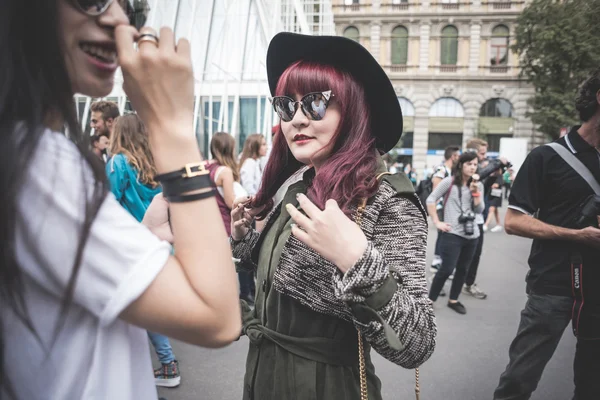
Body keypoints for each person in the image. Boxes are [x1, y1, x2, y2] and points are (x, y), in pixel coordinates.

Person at [0, 2, 241, 399]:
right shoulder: (39, 164)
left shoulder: (25, 153)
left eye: (131, 8)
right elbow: (217, 317)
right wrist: (171, 125)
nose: (118, 20)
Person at [230, 33, 436, 399]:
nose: (296, 119)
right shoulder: (297, 184)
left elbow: (417, 343)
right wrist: (246, 238)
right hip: (261, 378)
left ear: (353, 110)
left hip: (327, 387)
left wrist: (356, 262)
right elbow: (272, 278)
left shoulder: (386, 200)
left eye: (314, 103)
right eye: (286, 106)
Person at [494, 68, 600, 400]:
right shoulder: (547, 157)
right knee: (519, 380)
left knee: (591, 383)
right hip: (552, 286)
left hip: (597, 289)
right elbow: (513, 222)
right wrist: (576, 235)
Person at [106, 114, 181, 388]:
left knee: (136, 306)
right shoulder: (153, 164)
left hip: (129, 245)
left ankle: (167, 363)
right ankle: (163, 363)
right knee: (143, 304)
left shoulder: (118, 163)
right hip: (158, 245)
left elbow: (107, 206)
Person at [426, 152, 484, 314]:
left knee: (463, 269)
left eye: (475, 164)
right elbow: (431, 199)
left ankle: (454, 300)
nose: (473, 167)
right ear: (461, 165)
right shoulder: (449, 182)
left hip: (472, 235)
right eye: (469, 164)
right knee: (446, 268)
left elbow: (479, 210)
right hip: (452, 234)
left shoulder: (478, 185)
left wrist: (475, 193)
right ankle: (430, 299)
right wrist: (437, 222)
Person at [430, 145, 461, 272]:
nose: (459, 158)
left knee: (446, 234)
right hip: (442, 208)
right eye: (458, 156)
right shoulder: (441, 170)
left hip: (451, 207)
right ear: (453, 157)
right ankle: (438, 261)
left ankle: (441, 260)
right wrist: (435, 214)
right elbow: (435, 192)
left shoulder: (454, 171)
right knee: (444, 233)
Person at [483, 168, 504, 232]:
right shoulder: (492, 176)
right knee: (495, 211)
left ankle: (486, 225)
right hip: (492, 195)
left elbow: (497, 185)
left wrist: (493, 185)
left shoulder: (500, 176)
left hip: (496, 196)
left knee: (491, 210)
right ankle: (499, 224)